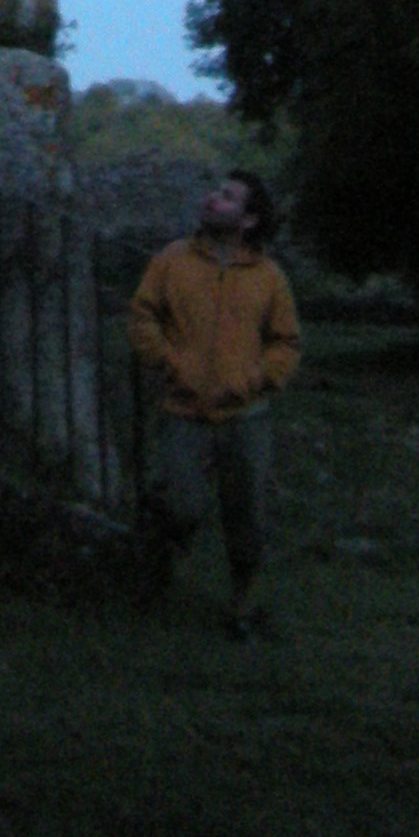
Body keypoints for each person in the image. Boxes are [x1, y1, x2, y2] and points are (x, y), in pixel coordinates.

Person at [127, 168, 302, 635]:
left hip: (245, 417)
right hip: (182, 411)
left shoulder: (269, 278)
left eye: (227, 197)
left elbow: (286, 342)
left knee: (246, 518)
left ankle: (241, 608)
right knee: (180, 506)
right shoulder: (172, 260)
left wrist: (256, 379)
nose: (212, 199)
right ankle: (155, 574)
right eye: (214, 192)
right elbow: (143, 316)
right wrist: (168, 363)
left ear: (247, 220)